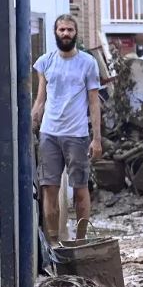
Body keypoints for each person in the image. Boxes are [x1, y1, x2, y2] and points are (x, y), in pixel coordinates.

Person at [31, 14, 103, 244]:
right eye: (61, 29)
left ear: (76, 33)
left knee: (80, 190)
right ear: (55, 32)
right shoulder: (45, 61)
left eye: (70, 30)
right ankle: (53, 244)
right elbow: (41, 98)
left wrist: (97, 139)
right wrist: (33, 122)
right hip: (49, 134)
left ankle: (80, 242)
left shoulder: (87, 63)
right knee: (49, 189)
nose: (65, 34)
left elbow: (94, 102)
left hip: (78, 135)